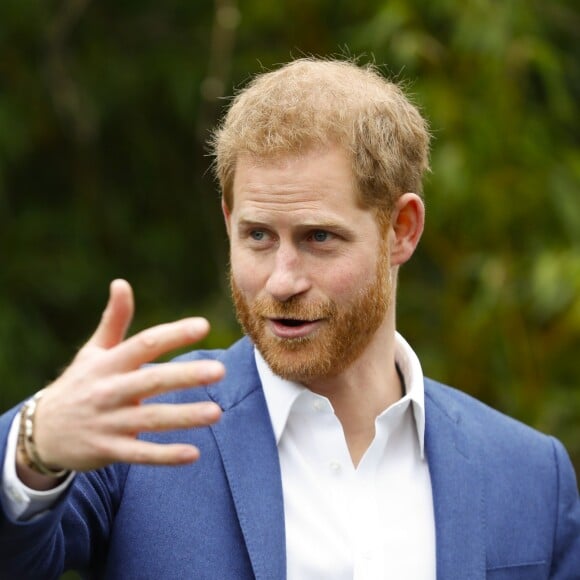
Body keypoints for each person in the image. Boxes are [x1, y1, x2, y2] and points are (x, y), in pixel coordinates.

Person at [0, 57, 578, 580]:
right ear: (228, 221)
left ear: (401, 229)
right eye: (257, 236)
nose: (281, 280)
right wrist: (34, 448)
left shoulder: (530, 476)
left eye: (319, 237)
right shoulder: (141, 429)